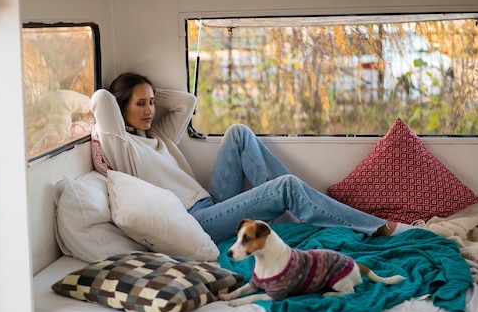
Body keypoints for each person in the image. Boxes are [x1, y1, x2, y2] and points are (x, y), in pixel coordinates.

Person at [90, 72, 413, 244]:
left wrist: (147, 91)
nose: (150, 111)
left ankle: (294, 210)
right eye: (140, 104)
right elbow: (103, 98)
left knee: (238, 133)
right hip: (197, 223)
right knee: (286, 186)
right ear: (120, 109)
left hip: (210, 202)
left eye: (151, 102)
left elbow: (185, 102)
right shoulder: (123, 147)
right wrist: (123, 98)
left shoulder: (156, 135)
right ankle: (377, 228)